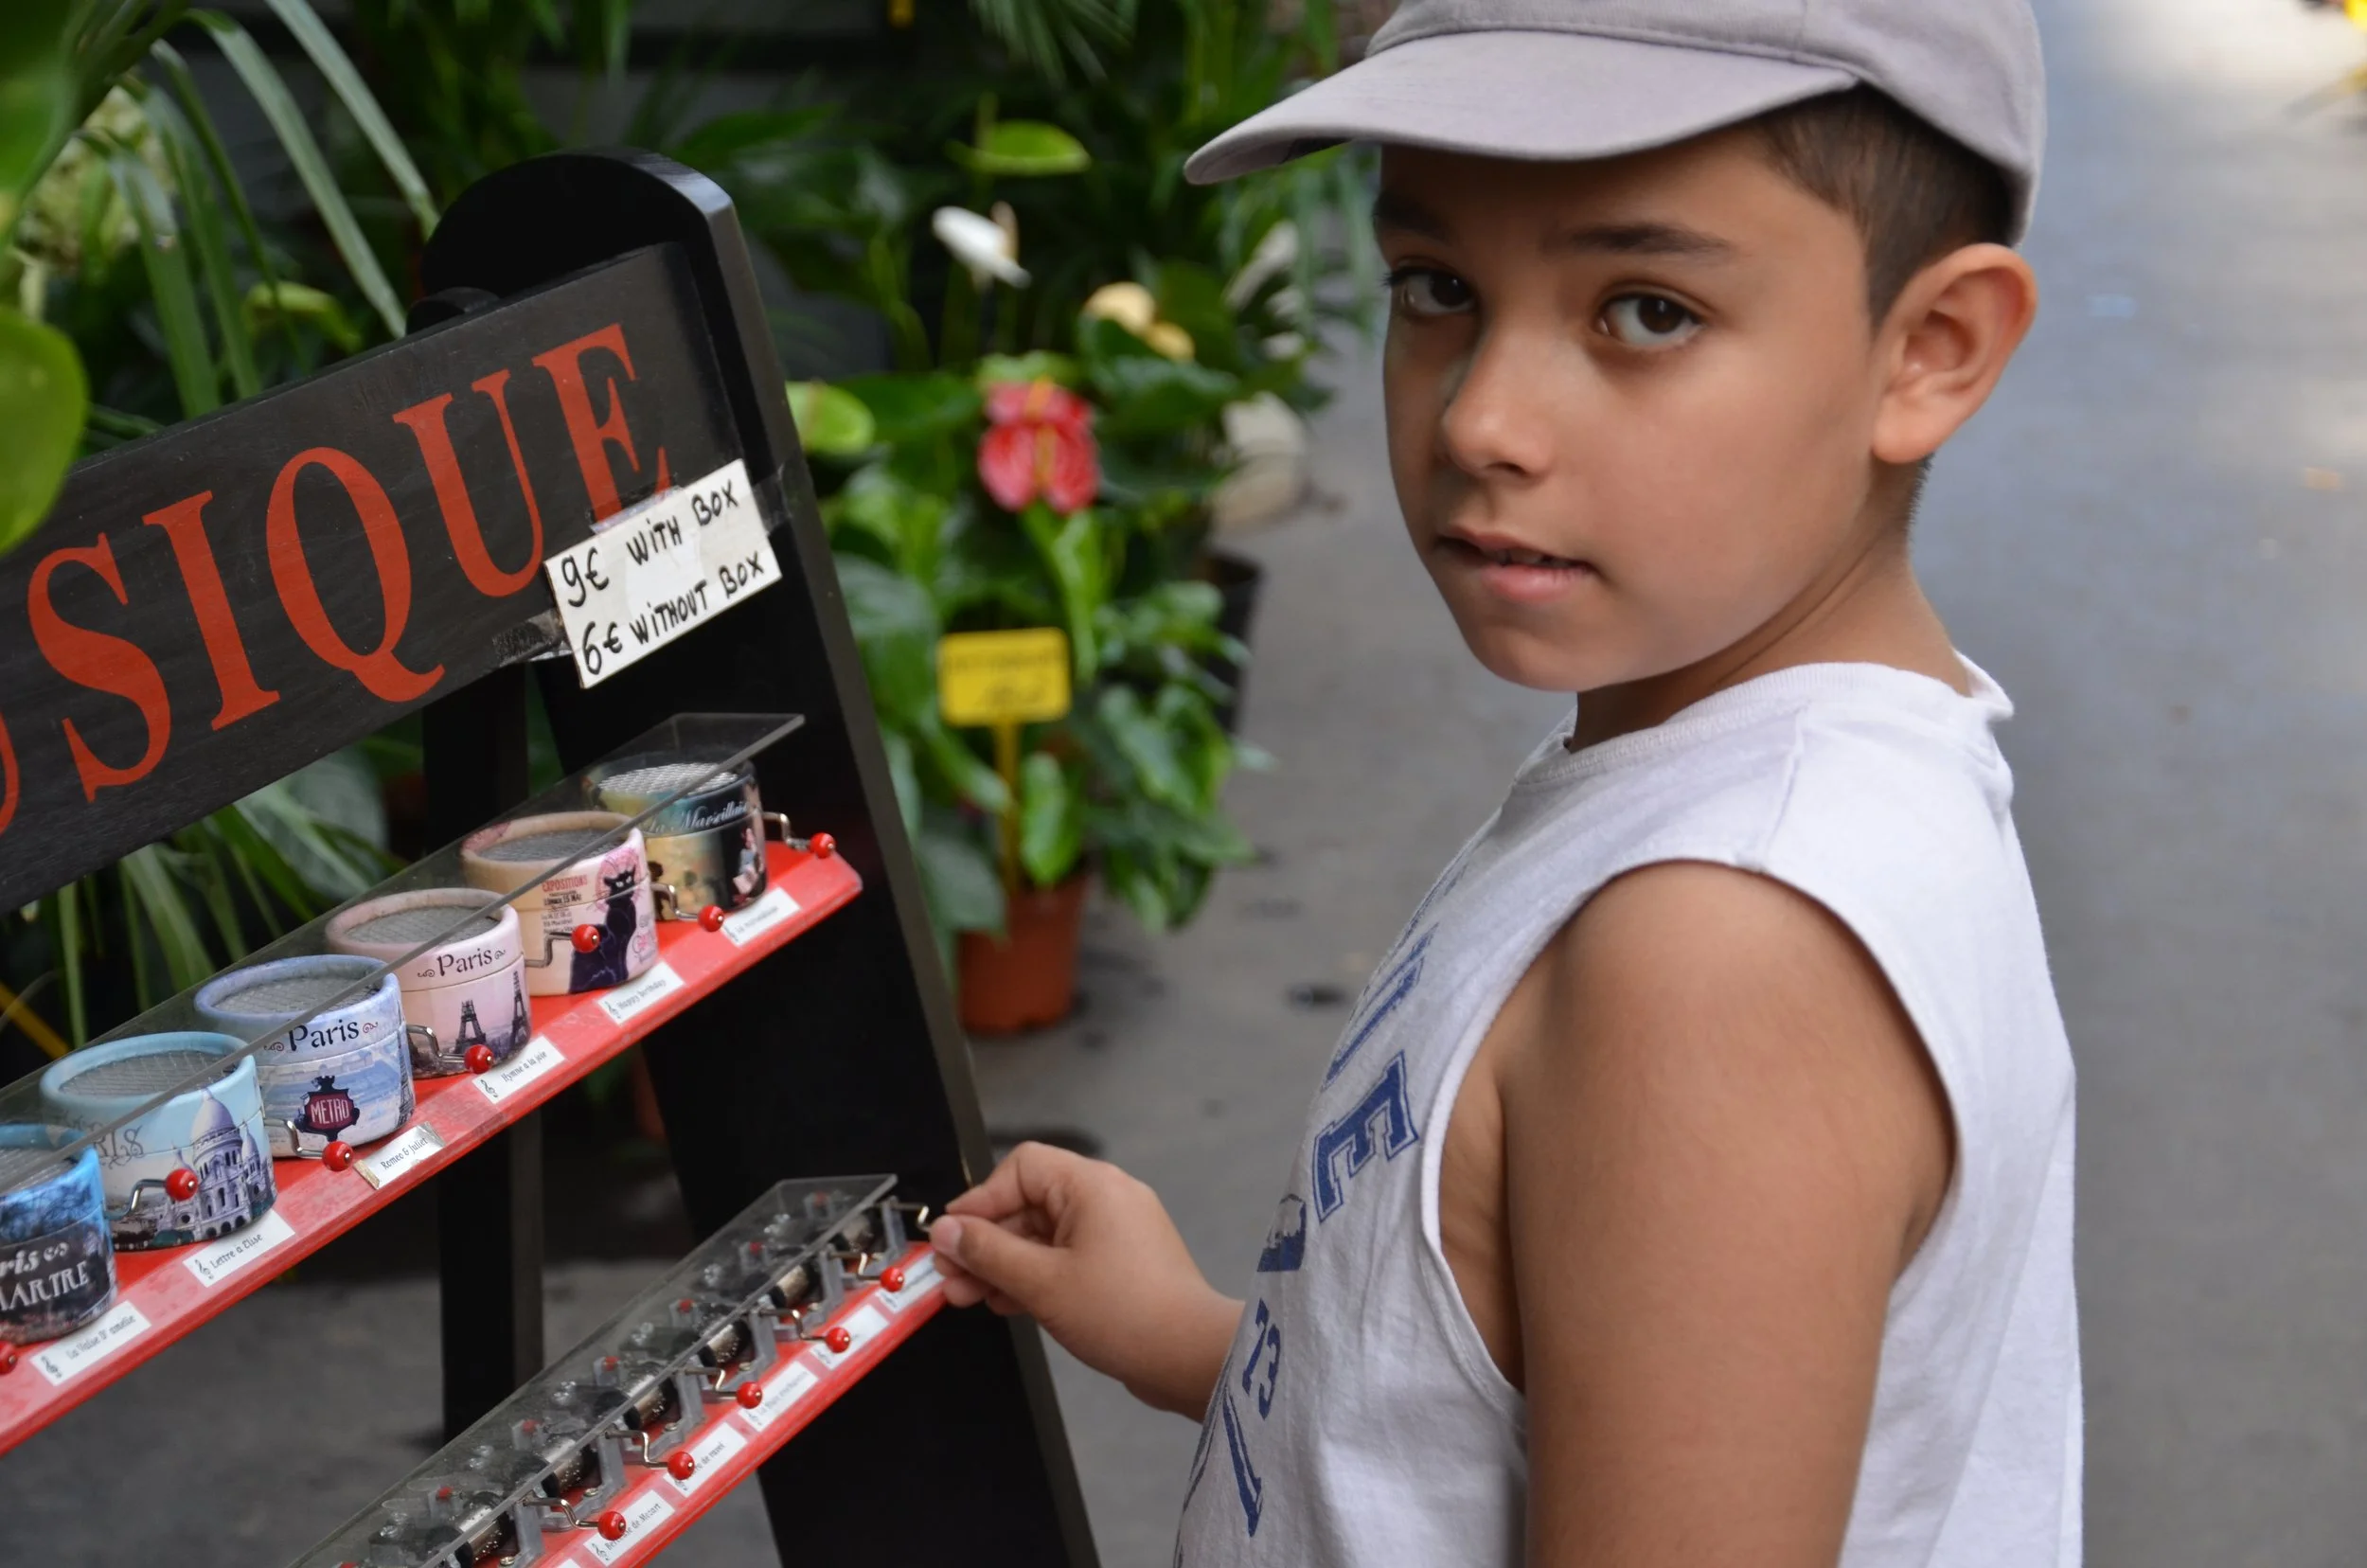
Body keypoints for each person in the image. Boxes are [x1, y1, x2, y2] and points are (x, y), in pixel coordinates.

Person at [927, 3, 2078, 1563]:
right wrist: (1196, 1340)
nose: (1481, 419)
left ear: (1927, 351)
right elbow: (1518, 1431)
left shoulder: (1720, 953)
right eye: (1438, 288)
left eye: (1648, 311)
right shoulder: (1745, 781)